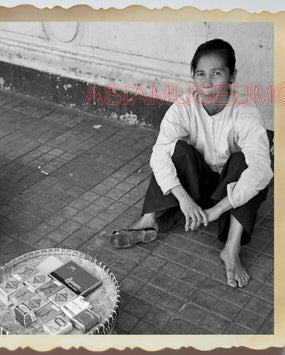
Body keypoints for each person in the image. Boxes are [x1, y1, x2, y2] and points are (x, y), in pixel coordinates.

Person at [107, 39, 273, 288]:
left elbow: (261, 170)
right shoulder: (183, 107)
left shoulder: (245, 112)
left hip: (228, 190)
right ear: (193, 78)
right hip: (199, 182)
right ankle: (148, 221)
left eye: (217, 73)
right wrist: (184, 200)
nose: (207, 82)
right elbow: (159, 153)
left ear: (232, 76)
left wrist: (216, 211)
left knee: (245, 163)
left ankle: (231, 249)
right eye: (201, 74)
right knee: (174, 150)